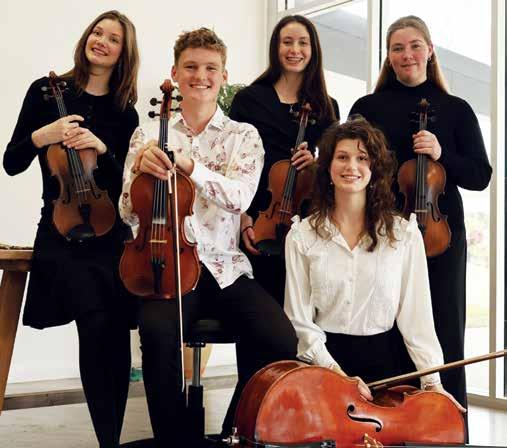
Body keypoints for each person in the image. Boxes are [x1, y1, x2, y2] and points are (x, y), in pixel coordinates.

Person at [119, 28, 297, 447]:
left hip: (224, 267)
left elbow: (240, 198)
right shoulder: (147, 135)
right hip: (166, 267)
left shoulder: (244, 136)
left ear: (223, 76)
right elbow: (127, 210)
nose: (201, 76)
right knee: (156, 333)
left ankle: (234, 431)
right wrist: (141, 172)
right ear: (175, 73)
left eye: (210, 68)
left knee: (279, 339)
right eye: (191, 67)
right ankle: (174, 441)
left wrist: (189, 166)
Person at [3, 10, 140, 448]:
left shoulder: (125, 112)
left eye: (113, 38)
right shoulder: (45, 92)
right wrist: (44, 134)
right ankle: (108, 439)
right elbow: (11, 162)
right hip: (60, 229)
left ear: (123, 53)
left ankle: (110, 437)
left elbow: (128, 184)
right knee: (96, 322)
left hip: (110, 230)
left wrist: (103, 148)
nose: (102, 41)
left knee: (115, 332)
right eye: (97, 32)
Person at [349, 15, 492, 416]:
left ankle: (447, 427)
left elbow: (480, 176)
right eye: (398, 48)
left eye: (415, 46)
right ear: (388, 56)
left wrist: (443, 153)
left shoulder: (457, 110)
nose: (407, 54)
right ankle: (387, 425)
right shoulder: (366, 108)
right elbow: (349, 167)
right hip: (383, 232)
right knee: (387, 331)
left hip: (439, 237)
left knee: (444, 332)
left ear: (430, 51)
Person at [284, 117, 464, 412]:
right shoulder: (301, 236)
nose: (351, 167)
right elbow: (299, 320)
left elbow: (417, 317)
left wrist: (433, 383)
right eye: (342, 157)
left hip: (390, 368)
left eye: (362, 158)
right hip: (325, 366)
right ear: (328, 167)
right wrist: (338, 375)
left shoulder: (404, 235)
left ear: (374, 169)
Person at [229, 14, 339, 306]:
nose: (295, 50)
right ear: (275, 48)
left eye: (303, 43)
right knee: (256, 312)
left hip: (304, 220)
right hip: (256, 217)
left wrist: (315, 164)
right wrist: (242, 217)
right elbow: (230, 162)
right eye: (287, 42)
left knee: (302, 310)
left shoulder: (327, 107)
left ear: (313, 49)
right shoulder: (249, 99)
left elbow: (335, 171)